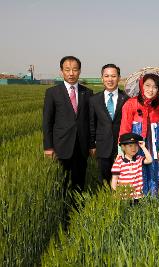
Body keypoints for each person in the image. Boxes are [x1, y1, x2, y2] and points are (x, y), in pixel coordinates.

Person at [43, 56, 93, 193]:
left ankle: (77, 209)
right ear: (61, 72)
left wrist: (91, 145)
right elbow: (47, 122)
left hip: (81, 147)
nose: (71, 73)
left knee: (79, 182)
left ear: (80, 71)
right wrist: (48, 147)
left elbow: (90, 122)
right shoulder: (52, 93)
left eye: (75, 70)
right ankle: (63, 210)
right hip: (61, 145)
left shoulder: (87, 93)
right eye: (67, 70)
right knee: (62, 183)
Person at [119, 72, 159, 196]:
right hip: (135, 143)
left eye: (155, 87)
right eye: (147, 85)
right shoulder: (131, 103)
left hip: (154, 144)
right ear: (141, 86)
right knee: (136, 168)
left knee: (154, 168)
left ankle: (154, 199)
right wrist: (121, 153)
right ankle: (137, 199)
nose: (151, 90)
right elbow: (124, 128)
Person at [89, 64, 128, 185]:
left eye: (113, 76)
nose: (110, 79)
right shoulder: (94, 100)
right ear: (102, 78)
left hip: (122, 147)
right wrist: (92, 145)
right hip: (102, 147)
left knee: (122, 180)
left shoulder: (127, 98)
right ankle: (106, 201)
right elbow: (91, 124)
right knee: (104, 180)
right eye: (106, 76)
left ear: (119, 78)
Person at [111, 133, 152, 201]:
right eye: (130, 146)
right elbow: (115, 179)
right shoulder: (119, 162)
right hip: (124, 197)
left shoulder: (139, 159)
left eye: (136, 145)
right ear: (123, 147)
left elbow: (149, 160)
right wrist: (114, 193)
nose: (133, 148)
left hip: (138, 196)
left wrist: (143, 147)